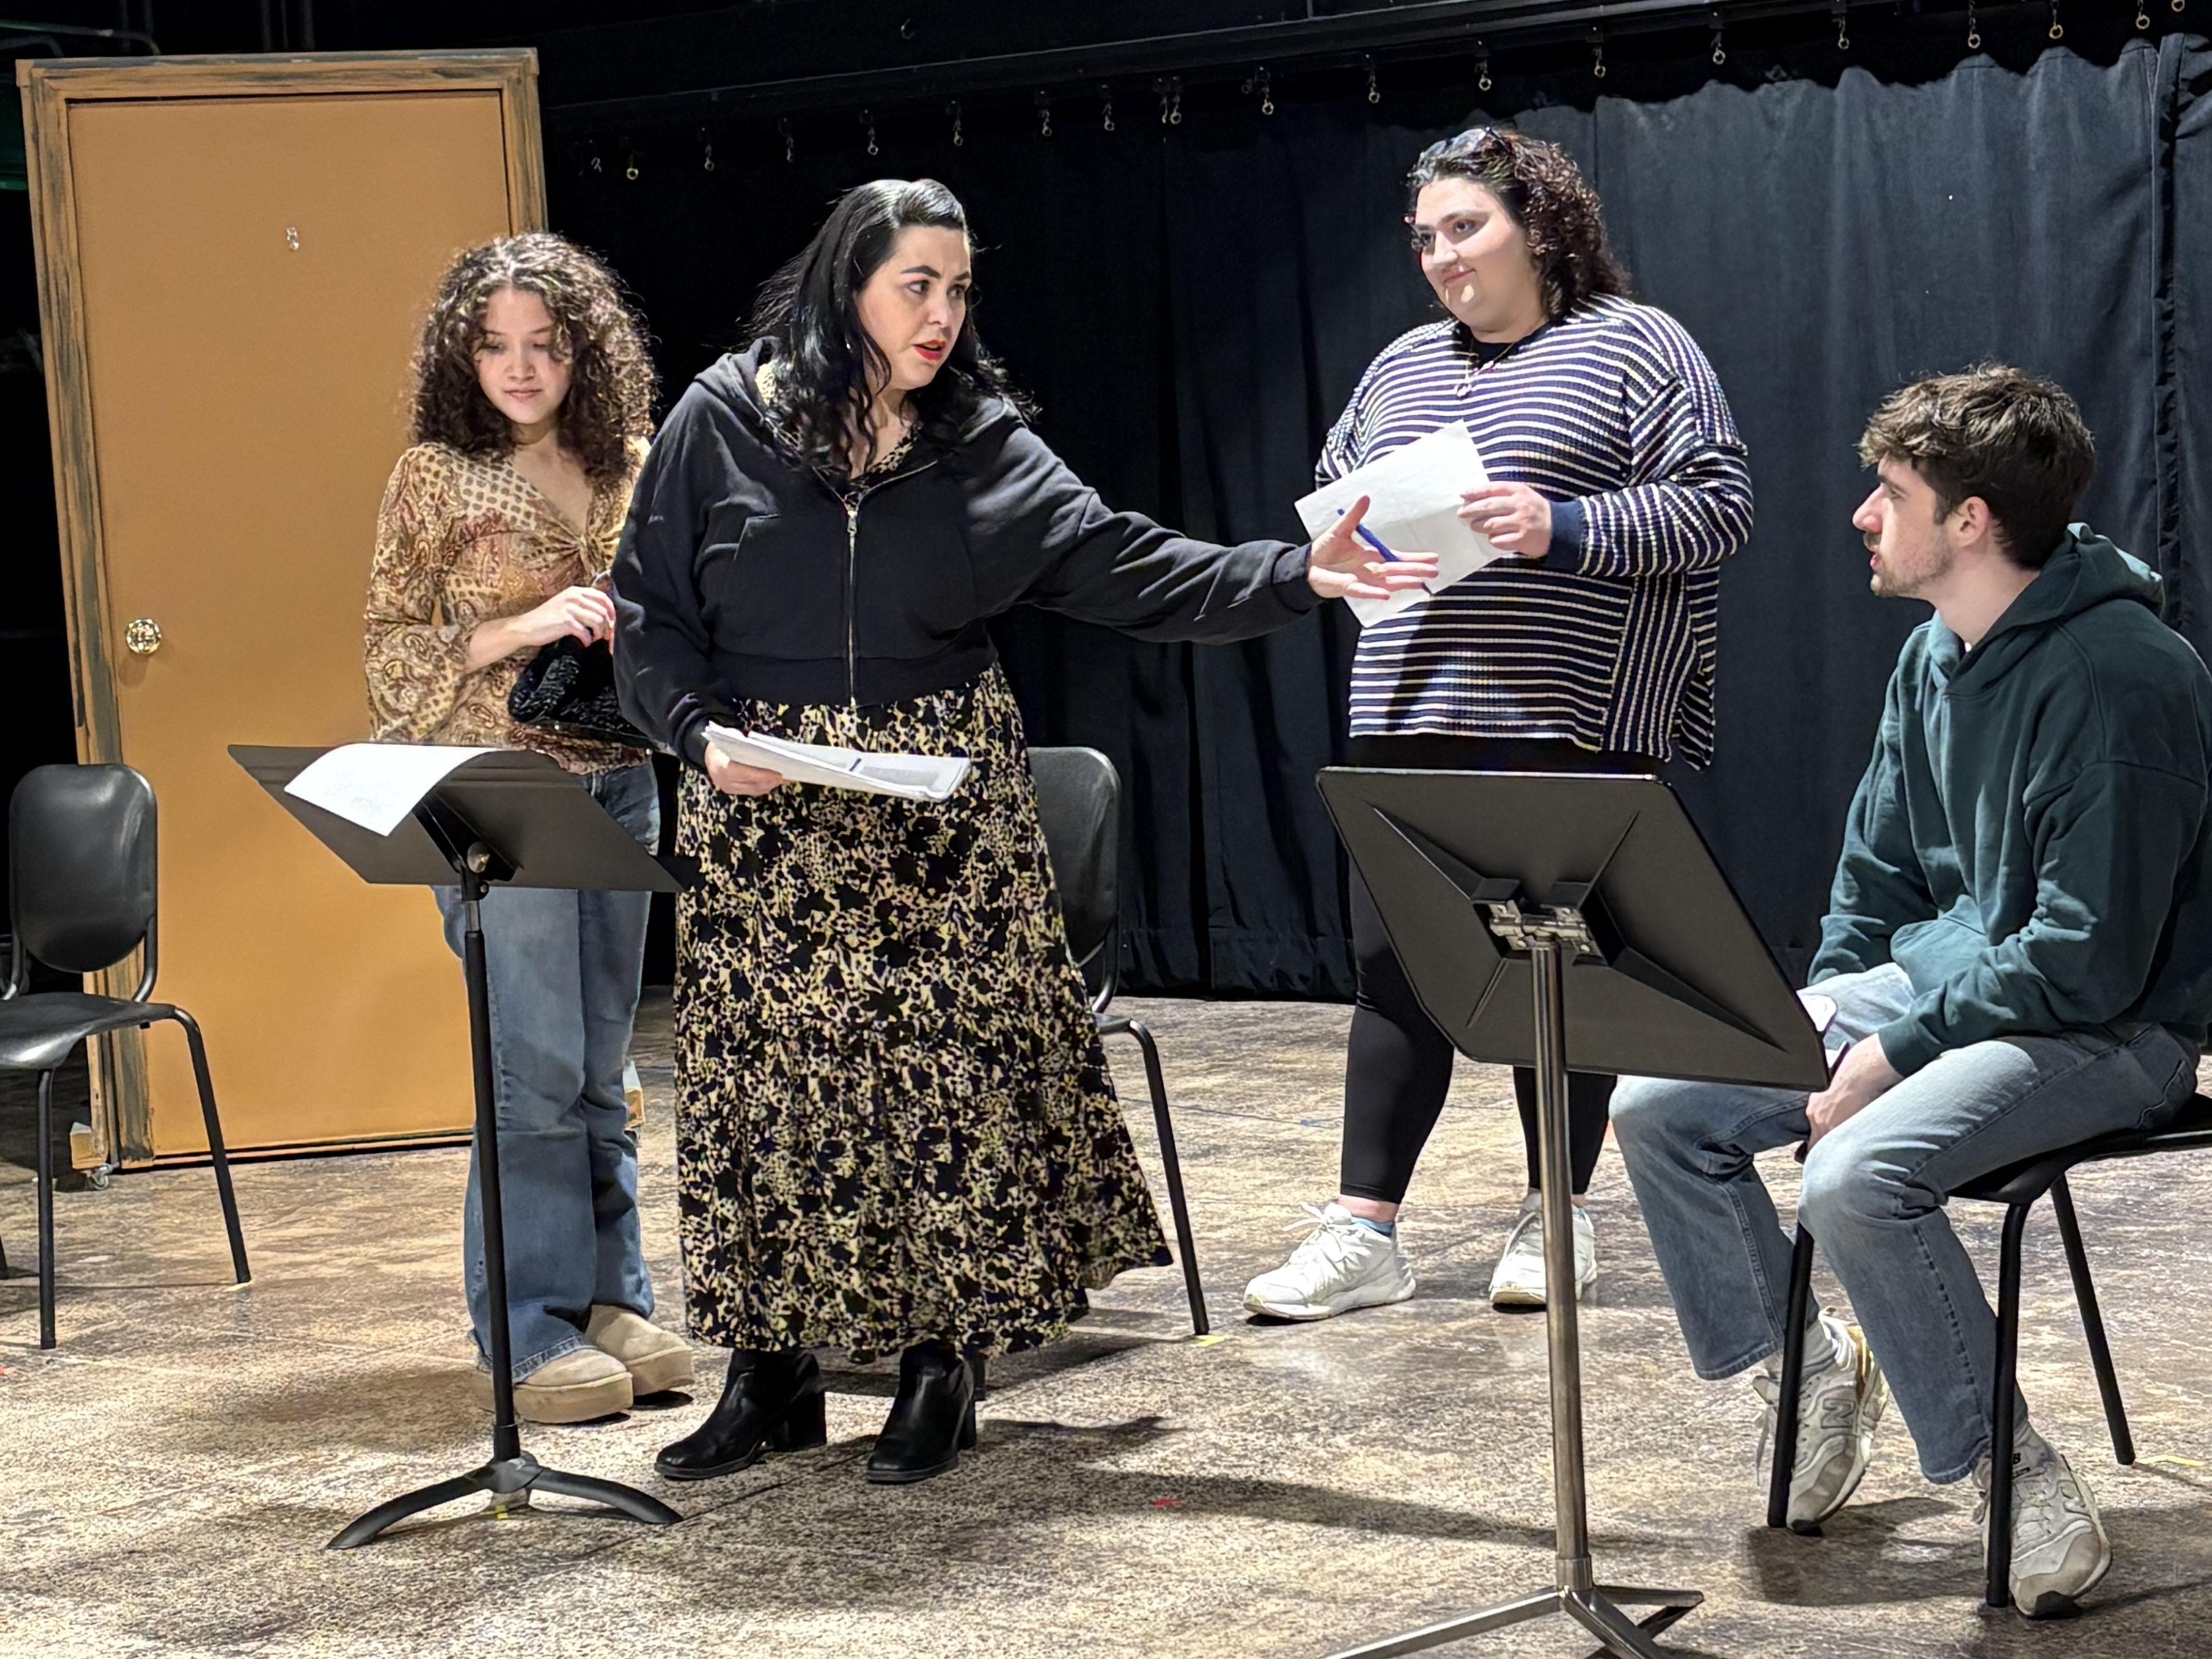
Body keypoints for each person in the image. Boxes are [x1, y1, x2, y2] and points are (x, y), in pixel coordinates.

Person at [611, 178, 1427, 1487]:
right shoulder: (722, 418)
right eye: (915, 285)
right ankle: (772, 1367)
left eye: (959, 288)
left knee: (945, 1083)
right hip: (766, 807)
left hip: (942, 807)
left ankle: (946, 1361)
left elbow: (1133, 563)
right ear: (846, 287)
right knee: (770, 1086)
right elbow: (648, 610)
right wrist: (701, 732)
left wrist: (1299, 571)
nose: (942, 315)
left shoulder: (980, 441)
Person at [1610, 366, 2212, 1617]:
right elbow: (1876, 875)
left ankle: (2007, 1462)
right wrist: (1829, 1011)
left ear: (1974, 519)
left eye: (1890, 492)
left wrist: (1891, 1054)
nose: (1861, 514)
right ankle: (1811, 1369)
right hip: (1961, 984)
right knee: (1662, 1099)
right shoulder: (1933, 656)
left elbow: (2086, 956)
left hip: (2117, 1024)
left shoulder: (2126, 677)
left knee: (1856, 1176)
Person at [1243, 127, 1752, 1321]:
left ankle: (1556, 1214)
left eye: (1465, 226)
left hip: (1569, 723)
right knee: (1393, 971)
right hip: (1407, 714)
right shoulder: (1401, 365)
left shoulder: (1638, 347)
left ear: (1542, 223)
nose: (1441, 256)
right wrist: (1341, 558)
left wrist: (1560, 525)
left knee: (1556, 973)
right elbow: (1334, 499)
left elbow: (1718, 507)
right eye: (1425, 236)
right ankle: (1365, 1230)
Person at [365, 232, 692, 1424]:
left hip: (621, 778)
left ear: (581, 352)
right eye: (496, 345)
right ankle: (526, 1326)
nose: (520, 366)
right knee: (532, 1072)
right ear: (465, 352)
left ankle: (613, 1298)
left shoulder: (635, 462)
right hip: (497, 787)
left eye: (544, 346)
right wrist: (517, 628)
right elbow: (390, 656)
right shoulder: (433, 476)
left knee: (606, 1066)